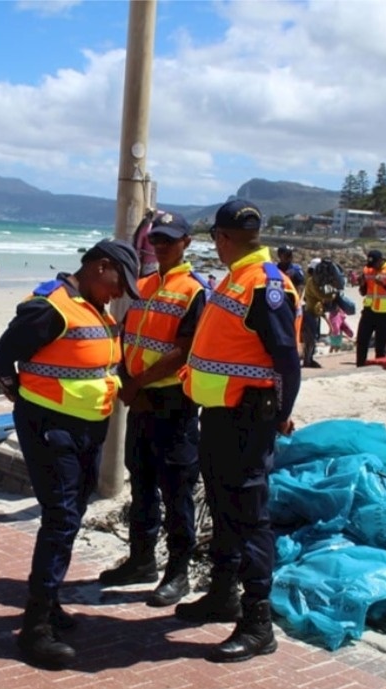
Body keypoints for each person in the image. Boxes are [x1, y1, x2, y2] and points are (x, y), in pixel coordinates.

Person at [0, 238, 140, 669]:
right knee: (60, 519)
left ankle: (49, 601)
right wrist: (28, 402)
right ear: (100, 266)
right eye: (119, 282)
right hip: (52, 429)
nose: (119, 293)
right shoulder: (50, 307)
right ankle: (34, 628)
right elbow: (1, 359)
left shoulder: (92, 306)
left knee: (71, 514)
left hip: (87, 428)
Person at [174, 200, 301, 664]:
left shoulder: (264, 284)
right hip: (222, 416)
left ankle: (257, 622)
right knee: (225, 508)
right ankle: (223, 594)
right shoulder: (237, 277)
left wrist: (282, 411)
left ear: (222, 239)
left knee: (249, 518)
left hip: (248, 418)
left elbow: (286, 355)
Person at [98, 212, 207, 608]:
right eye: (157, 240)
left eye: (170, 240)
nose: (161, 246)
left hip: (173, 403)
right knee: (141, 482)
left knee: (176, 490)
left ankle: (177, 573)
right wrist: (127, 379)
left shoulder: (194, 290)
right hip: (140, 400)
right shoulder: (143, 285)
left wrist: (137, 384)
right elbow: (128, 334)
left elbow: (184, 348)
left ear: (186, 243)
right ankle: (141, 560)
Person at [355, 250, 386, 367]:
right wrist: (361, 285)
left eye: (375, 264)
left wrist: (384, 285)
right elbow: (363, 292)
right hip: (369, 311)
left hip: (385, 314)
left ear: (381, 260)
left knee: (380, 345)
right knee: (361, 341)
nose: (373, 267)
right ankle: (360, 366)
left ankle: (378, 368)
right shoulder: (367, 270)